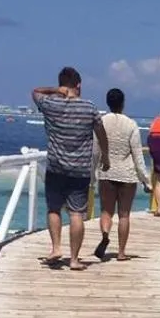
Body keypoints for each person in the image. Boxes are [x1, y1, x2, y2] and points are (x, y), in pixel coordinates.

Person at [31, 66, 108, 270]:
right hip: (80, 170)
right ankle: (74, 259)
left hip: (56, 167)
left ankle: (56, 248)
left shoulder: (50, 104)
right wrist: (105, 157)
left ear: (61, 84)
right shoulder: (89, 107)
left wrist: (56, 91)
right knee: (76, 214)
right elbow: (101, 134)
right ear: (79, 85)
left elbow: (35, 91)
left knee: (54, 209)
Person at [94, 88, 149, 261]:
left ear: (108, 102)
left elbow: (95, 151)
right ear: (123, 103)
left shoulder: (101, 122)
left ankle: (105, 234)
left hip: (106, 173)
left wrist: (91, 174)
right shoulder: (131, 124)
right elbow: (138, 156)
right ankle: (121, 252)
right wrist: (146, 181)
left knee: (106, 211)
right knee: (124, 214)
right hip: (127, 175)